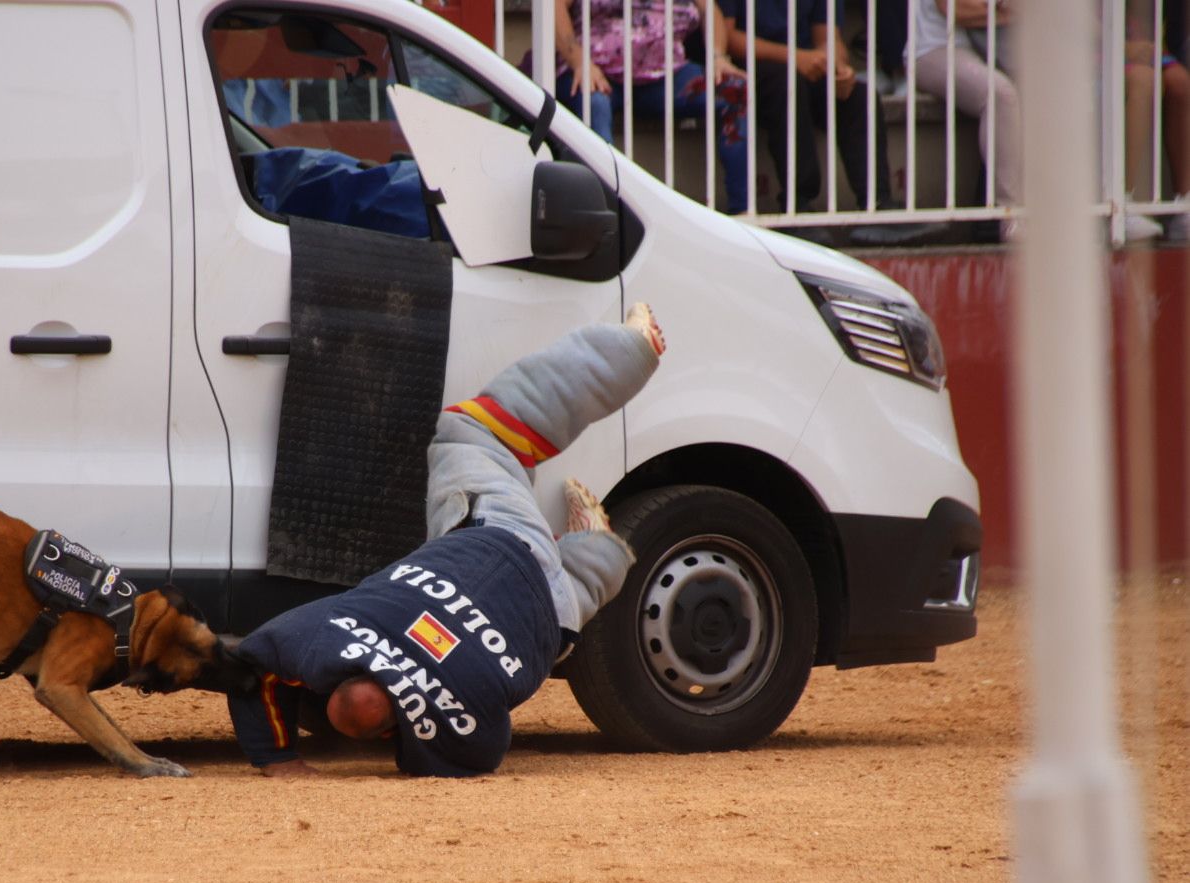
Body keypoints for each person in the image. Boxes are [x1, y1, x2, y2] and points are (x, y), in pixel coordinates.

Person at [226, 305, 666, 778]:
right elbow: (255, 663)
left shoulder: (465, 737)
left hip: (550, 622)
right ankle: (628, 352)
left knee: (570, 597)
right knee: (473, 436)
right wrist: (275, 757)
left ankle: (602, 556)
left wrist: (291, 759)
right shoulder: (331, 633)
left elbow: (480, 751)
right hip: (503, 548)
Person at [720, 0, 943, 243]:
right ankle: (797, 207)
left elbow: (828, 37)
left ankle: (877, 206)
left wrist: (838, 66)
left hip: (808, 66)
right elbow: (729, 38)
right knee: (787, 86)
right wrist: (796, 58)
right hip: (751, 69)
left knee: (860, 95)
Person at [553, 1, 752, 214]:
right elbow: (555, 6)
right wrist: (579, 62)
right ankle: (608, 215)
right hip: (598, 73)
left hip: (667, 75)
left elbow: (709, 10)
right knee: (594, 104)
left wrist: (718, 56)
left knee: (736, 92)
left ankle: (743, 214)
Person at [908, 0, 1022, 240]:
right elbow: (954, 9)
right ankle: (1012, 216)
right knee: (1000, 95)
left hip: (984, 49)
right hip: (934, 48)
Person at [1123, 13, 1190, 242]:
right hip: (1095, 53)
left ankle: (1185, 203)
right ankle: (1122, 200)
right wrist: (1125, 48)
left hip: (1136, 48)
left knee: (1180, 83)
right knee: (1144, 81)